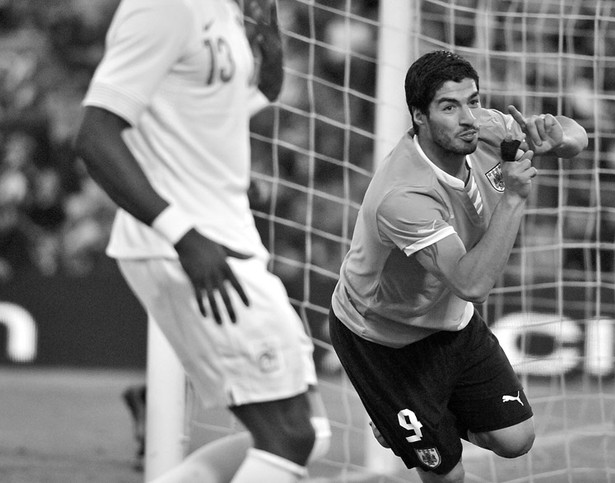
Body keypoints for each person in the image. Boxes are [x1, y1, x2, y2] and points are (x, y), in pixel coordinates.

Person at [73, 1, 330, 482]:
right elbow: (94, 135)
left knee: (310, 431)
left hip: (229, 237)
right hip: (191, 246)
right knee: (290, 436)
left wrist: (268, 43)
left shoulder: (223, 11)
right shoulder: (164, 8)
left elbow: (249, 95)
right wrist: (183, 236)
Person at [329, 50, 588, 483]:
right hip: (383, 339)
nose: (469, 116)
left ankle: (404, 423)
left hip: (449, 323)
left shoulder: (484, 127)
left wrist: (555, 137)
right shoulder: (402, 196)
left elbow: (578, 139)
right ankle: (401, 417)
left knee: (516, 438)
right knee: (447, 477)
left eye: (473, 100)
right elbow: (473, 283)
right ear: (420, 117)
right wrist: (514, 198)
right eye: (450, 106)